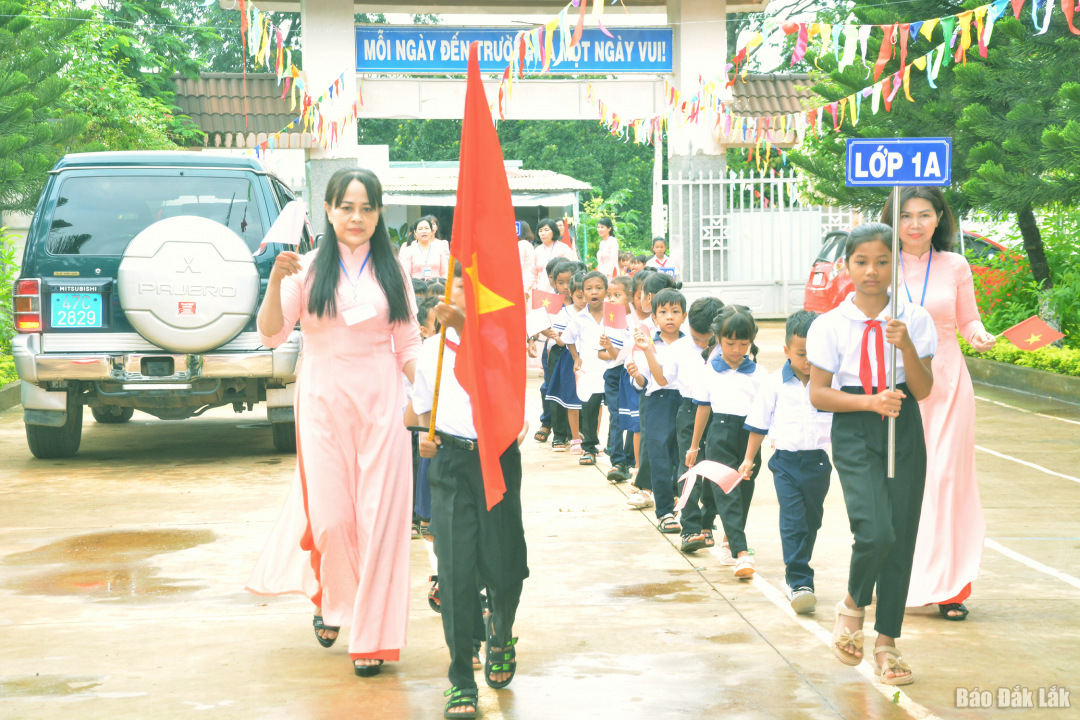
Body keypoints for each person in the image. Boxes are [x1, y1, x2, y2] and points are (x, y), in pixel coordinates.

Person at [246, 167, 421, 678]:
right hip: (322, 404)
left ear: (379, 214)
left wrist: (430, 390)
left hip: (383, 404)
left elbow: (407, 343)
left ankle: (371, 636)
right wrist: (276, 281)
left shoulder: (395, 269)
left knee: (379, 520)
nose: (357, 217)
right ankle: (332, 595)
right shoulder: (305, 268)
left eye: (367, 208)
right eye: (347, 206)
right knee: (331, 520)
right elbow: (272, 335)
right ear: (328, 210)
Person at [806, 222, 937, 686]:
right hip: (856, 426)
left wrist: (905, 346)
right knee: (876, 530)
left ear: (894, 265)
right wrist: (869, 402)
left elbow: (921, 389)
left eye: (883, 261)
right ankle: (852, 604)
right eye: (862, 262)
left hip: (903, 423)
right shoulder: (829, 325)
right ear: (846, 266)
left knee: (900, 538)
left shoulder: (914, 319)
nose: (872, 272)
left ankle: (887, 644)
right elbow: (819, 394)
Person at [412, 266, 529, 716]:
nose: (466, 289)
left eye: (476, 282)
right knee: (456, 570)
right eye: (459, 282)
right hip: (451, 465)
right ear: (447, 288)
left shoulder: (502, 341)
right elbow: (422, 411)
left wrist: (464, 328)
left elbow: (504, 398)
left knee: (503, 564)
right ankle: (461, 675)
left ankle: (501, 630)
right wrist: (423, 436)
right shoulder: (430, 350)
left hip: (495, 461)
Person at [881, 188, 996, 621]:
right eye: (905, 215)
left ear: (939, 218)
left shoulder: (955, 265)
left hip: (947, 384)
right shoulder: (879, 264)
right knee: (900, 481)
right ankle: (897, 579)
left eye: (924, 215)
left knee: (947, 479)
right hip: (896, 385)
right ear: (893, 220)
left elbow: (966, 319)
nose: (914, 224)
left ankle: (951, 586)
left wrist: (978, 335)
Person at [740, 310, 833, 613]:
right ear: (786, 351)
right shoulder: (774, 384)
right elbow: (758, 424)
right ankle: (799, 580)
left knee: (811, 522)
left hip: (819, 463)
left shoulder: (832, 384)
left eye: (815, 354)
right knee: (793, 522)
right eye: (801, 354)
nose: (808, 361)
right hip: (786, 464)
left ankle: (795, 571)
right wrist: (748, 460)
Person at [685, 305, 768, 578]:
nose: (736, 349)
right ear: (718, 339)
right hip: (719, 433)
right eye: (730, 343)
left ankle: (730, 541)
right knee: (726, 490)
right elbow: (702, 409)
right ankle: (742, 553)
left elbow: (767, 411)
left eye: (743, 344)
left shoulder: (759, 374)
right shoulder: (709, 370)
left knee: (744, 490)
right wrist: (695, 445)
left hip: (750, 436)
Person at [661, 296, 724, 553]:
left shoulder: (727, 347)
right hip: (689, 410)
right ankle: (690, 528)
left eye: (706, 339)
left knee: (716, 470)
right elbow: (664, 380)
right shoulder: (678, 348)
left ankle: (707, 523)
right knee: (690, 469)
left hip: (721, 412)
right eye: (695, 338)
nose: (700, 344)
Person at [626, 287, 688, 534]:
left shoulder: (691, 343)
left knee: (682, 457)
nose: (669, 316)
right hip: (658, 402)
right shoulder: (646, 342)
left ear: (684, 315)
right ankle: (664, 512)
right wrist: (637, 375)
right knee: (660, 457)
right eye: (663, 312)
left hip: (685, 402)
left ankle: (682, 504)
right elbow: (643, 384)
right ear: (654, 318)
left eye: (675, 311)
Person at [562, 270, 609, 466]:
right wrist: (576, 358)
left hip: (613, 371)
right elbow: (568, 339)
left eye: (599, 288)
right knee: (589, 410)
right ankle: (589, 448)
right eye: (589, 289)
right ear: (583, 292)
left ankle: (616, 451)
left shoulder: (615, 316)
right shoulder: (579, 318)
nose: (594, 292)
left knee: (615, 412)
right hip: (590, 370)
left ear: (606, 291)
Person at [623, 269, 660, 509]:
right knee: (650, 440)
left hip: (681, 397)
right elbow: (634, 360)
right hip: (652, 394)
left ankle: (675, 490)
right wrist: (637, 378)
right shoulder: (643, 328)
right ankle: (646, 487)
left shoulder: (683, 332)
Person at [546, 272, 588, 454]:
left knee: (592, 400)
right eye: (579, 296)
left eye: (587, 295)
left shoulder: (597, 312)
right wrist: (557, 338)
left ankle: (590, 437)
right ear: (571, 293)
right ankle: (573, 438)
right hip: (571, 359)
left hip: (591, 359)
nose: (584, 300)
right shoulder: (566, 313)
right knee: (571, 399)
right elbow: (564, 341)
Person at [598, 275, 635, 482]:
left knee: (632, 417)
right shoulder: (608, 322)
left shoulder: (635, 321)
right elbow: (602, 353)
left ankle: (630, 460)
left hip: (631, 373)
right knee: (617, 417)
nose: (611, 300)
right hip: (614, 374)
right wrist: (612, 349)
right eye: (609, 296)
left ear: (630, 297)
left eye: (617, 295)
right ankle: (618, 462)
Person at [529, 218, 576, 293]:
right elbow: (533, 273)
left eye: (546, 230)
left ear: (553, 231)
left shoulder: (564, 248)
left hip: (561, 289)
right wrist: (527, 289)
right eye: (540, 231)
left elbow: (571, 270)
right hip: (542, 289)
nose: (543, 233)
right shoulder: (537, 250)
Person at [399, 215, 449, 280]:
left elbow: (445, 273)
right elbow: (406, 275)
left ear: (431, 232)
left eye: (427, 228)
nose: (424, 231)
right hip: (417, 287)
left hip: (436, 287)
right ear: (415, 233)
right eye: (420, 229)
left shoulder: (439, 250)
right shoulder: (408, 250)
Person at [518, 221, 537, 303]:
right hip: (531, 278)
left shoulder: (520, 244)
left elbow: (519, 265)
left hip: (523, 279)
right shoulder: (529, 244)